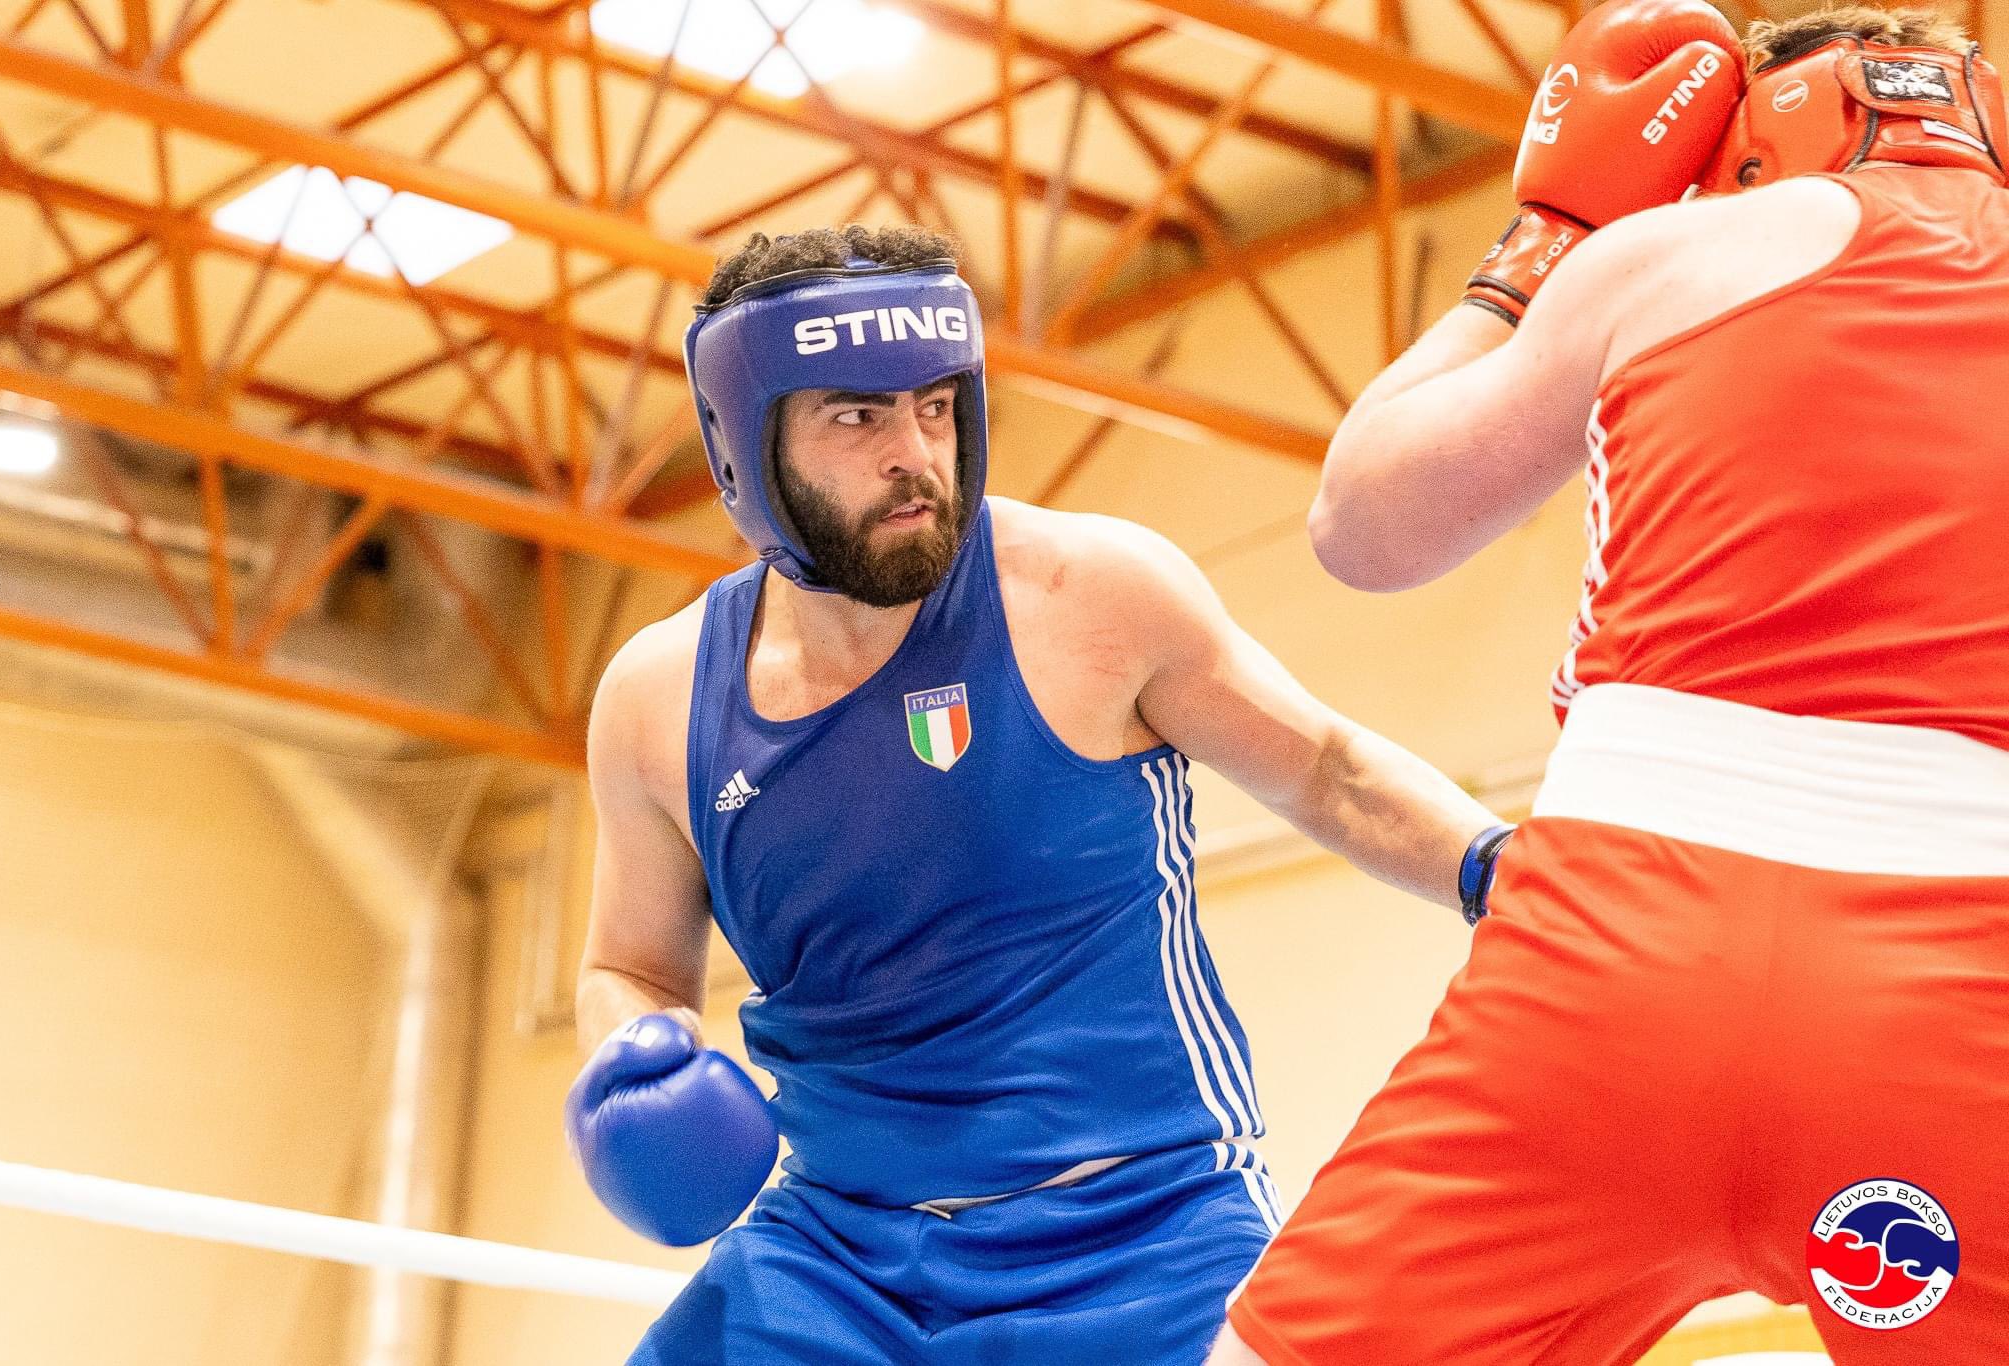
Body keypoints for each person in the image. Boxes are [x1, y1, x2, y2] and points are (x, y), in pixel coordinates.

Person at [1213, 2, 2009, 1363]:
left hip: (1612, 965)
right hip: (1963, 988)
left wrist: (1550, 239)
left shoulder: (1671, 252)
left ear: (1750, 141)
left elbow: (1367, 525)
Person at [565, 223, 1507, 1364]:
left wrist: (1505, 871)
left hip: (1138, 1242)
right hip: (834, 1258)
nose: (913, 450)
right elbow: (632, 964)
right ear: (743, 446)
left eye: (931, 405)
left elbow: (1328, 770)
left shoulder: (1089, 595)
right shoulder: (657, 702)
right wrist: (634, 1058)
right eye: (855, 417)